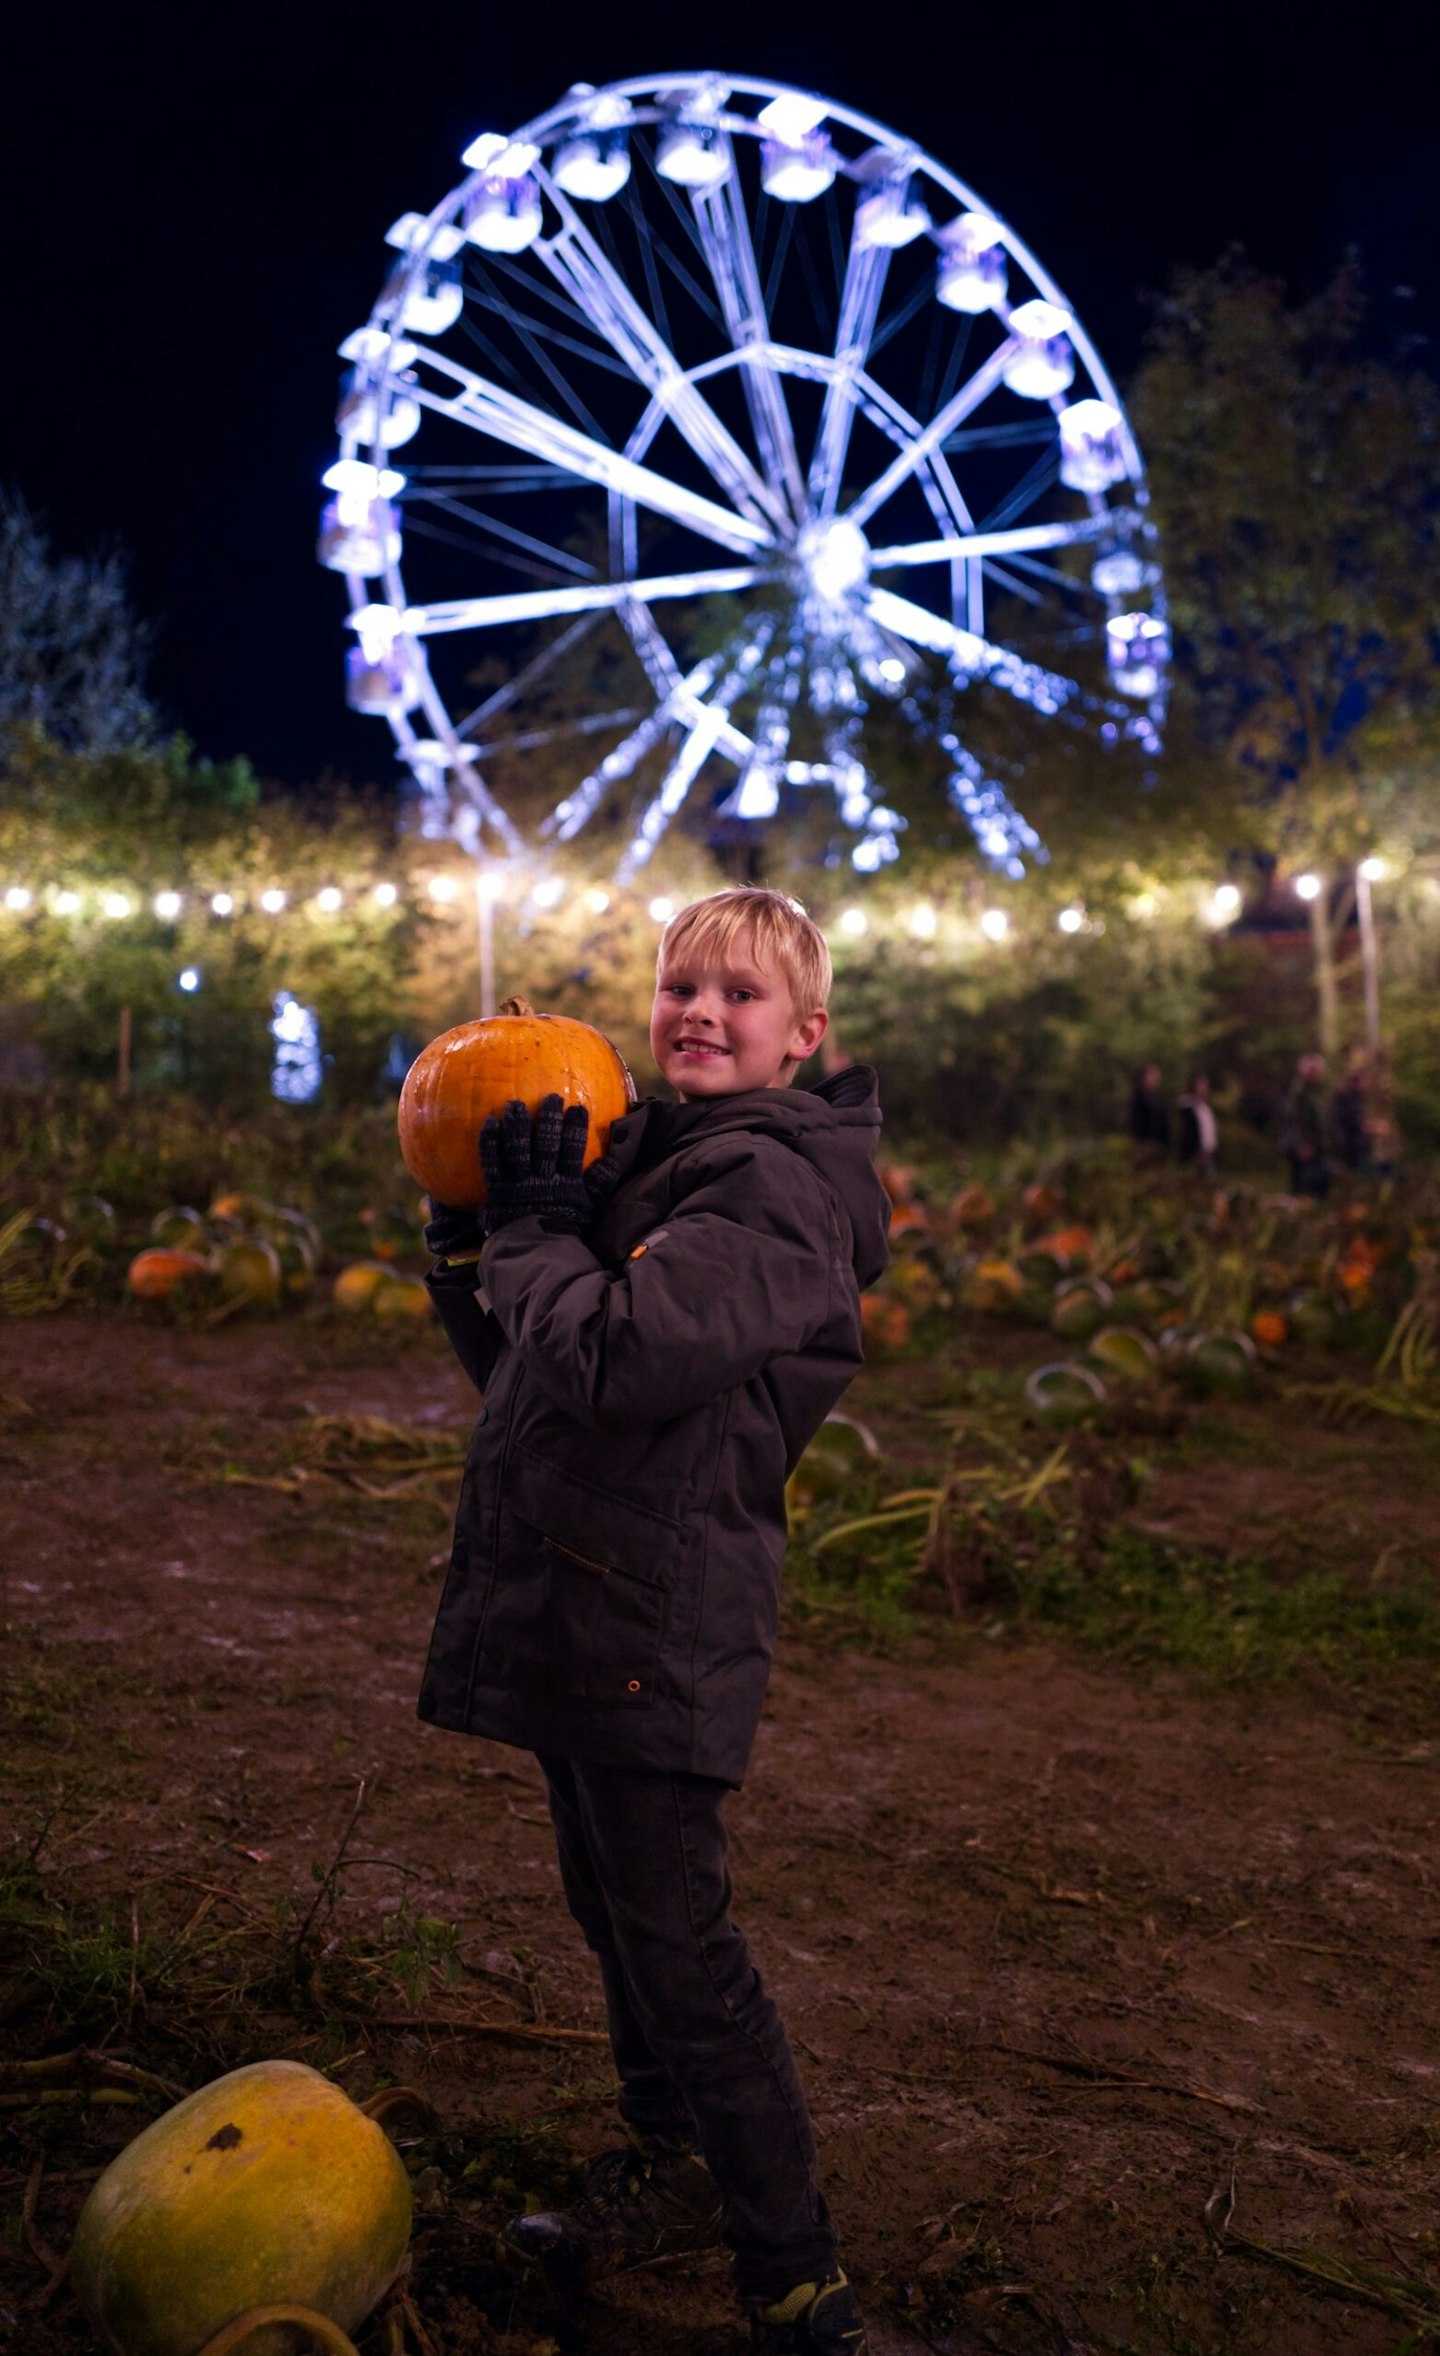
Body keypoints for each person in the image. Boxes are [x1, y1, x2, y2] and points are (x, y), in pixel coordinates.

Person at [419, 888, 890, 2354]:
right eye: (680, 985)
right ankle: (667, 2161)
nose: (698, 1011)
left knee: (679, 1938)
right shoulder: (650, 1164)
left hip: (662, 1610)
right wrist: (474, 1235)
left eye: (739, 996)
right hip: (585, 1584)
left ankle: (792, 2268)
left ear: (805, 1039)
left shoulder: (769, 1192)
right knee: (611, 1909)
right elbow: (529, 1371)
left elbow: (618, 1360)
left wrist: (540, 1236)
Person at [1282, 1051, 1330, 1197]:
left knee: (1317, 1181)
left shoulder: (1316, 1090)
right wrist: (1304, 1143)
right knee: (1304, 1183)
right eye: (1314, 1070)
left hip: (1316, 1143)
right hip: (1304, 1145)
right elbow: (1297, 1119)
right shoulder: (1300, 1091)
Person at [1332, 1046, 1370, 1173]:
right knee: (1355, 1169)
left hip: (1355, 1141)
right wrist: (1370, 1128)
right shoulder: (1347, 1098)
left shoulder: (1356, 1098)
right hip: (1349, 1142)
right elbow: (1350, 1120)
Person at [1175, 1075, 1218, 1180]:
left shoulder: (1205, 1108)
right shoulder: (1188, 1106)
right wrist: (1196, 1148)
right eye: (1201, 1085)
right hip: (1195, 1150)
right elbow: (1189, 1130)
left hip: (1207, 1149)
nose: (1204, 1089)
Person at [1128, 1063, 1170, 1160]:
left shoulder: (1159, 1098)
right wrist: (1140, 1143)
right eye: (1152, 1075)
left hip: (1159, 1143)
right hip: (1144, 1144)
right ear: (1143, 1078)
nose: (1156, 1079)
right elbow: (1135, 1121)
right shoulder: (1138, 1098)